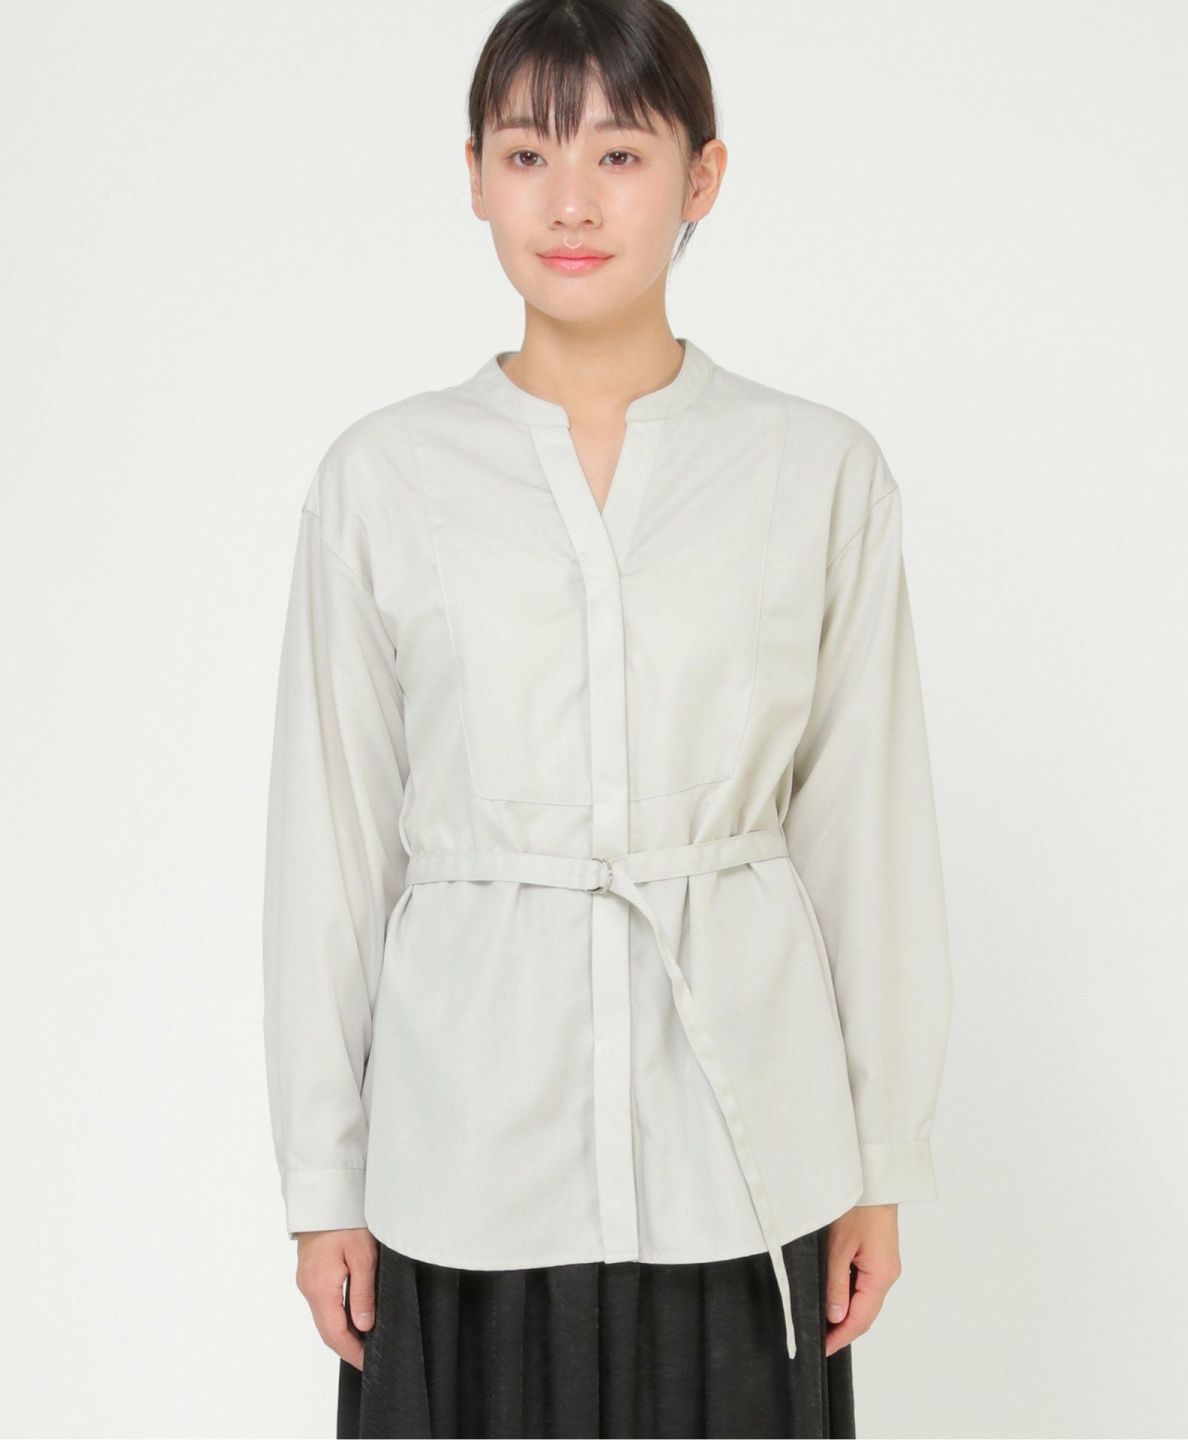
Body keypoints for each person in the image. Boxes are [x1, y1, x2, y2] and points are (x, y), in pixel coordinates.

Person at [261, 1, 953, 1436]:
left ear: (703, 177)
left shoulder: (816, 472)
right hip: (462, 1162)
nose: (570, 203)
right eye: (528, 154)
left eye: (620, 155)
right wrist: (324, 1182)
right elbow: (330, 846)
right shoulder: (384, 480)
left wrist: (880, 1157)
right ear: (474, 175)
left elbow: (866, 829)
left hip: (744, 1157)